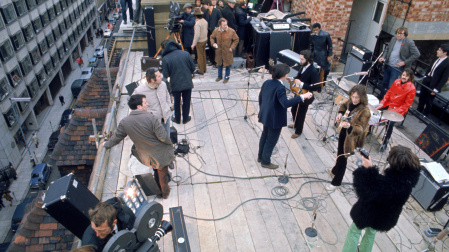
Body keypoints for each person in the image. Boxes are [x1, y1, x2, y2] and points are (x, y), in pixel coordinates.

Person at [342, 146, 420, 252]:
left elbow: (365, 191)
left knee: (354, 231)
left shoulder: (383, 184)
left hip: (367, 212)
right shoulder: (407, 183)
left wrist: (368, 170)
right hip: (384, 216)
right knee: (371, 233)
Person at [103, 95, 174, 198]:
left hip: (145, 156)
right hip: (159, 154)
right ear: (139, 106)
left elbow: (117, 137)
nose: (147, 104)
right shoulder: (150, 117)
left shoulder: (125, 122)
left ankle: (157, 190)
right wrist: (169, 144)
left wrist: (106, 144)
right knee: (162, 175)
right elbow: (163, 136)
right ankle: (164, 194)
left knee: (155, 170)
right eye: (145, 103)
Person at [258, 64, 313, 169]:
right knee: (271, 139)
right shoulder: (280, 88)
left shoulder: (267, 82)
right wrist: (302, 96)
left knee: (264, 135)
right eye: (286, 73)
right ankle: (265, 161)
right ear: (284, 74)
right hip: (275, 119)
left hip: (266, 115)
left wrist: (263, 111)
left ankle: (260, 157)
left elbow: (261, 98)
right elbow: (285, 103)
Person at [326, 85, 371, 191]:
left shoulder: (365, 111)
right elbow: (343, 106)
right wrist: (340, 114)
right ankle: (335, 170)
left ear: (362, 98)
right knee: (339, 154)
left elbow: (360, 130)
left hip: (351, 138)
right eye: (352, 96)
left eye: (357, 98)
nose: (354, 99)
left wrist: (350, 126)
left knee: (343, 158)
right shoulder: (350, 102)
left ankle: (337, 182)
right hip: (343, 133)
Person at [376, 68, 416, 152]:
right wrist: (382, 103)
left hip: (398, 110)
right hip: (388, 104)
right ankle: (368, 130)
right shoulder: (397, 81)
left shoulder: (412, 88)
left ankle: (385, 142)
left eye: (406, 76)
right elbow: (389, 93)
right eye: (403, 75)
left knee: (389, 124)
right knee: (374, 112)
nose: (404, 77)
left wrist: (394, 112)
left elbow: (406, 105)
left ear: (410, 77)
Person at [378, 27, 420, 99]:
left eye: (401, 34)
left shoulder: (409, 42)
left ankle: (387, 101)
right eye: (397, 33)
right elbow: (387, 49)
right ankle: (381, 97)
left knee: (391, 85)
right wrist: (384, 57)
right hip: (388, 64)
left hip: (396, 67)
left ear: (405, 34)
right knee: (384, 82)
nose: (398, 35)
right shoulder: (393, 39)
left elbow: (417, 54)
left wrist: (404, 62)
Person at [161, 40, 195, 124]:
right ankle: (186, 118)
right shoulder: (185, 54)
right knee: (186, 100)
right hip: (187, 81)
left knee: (176, 101)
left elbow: (165, 75)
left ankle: (177, 118)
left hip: (175, 83)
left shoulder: (165, 58)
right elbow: (193, 68)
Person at [288, 50, 320, 138]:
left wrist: (301, 84)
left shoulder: (313, 71)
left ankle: (298, 131)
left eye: (302, 59)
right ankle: (295, 124)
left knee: (301, 114)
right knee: (293, 110)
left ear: (308, 60)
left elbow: (315, 87)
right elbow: (298, 77)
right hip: (298, 93)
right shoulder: (302, 67)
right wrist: (292, 79)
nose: (300, 61)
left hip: (306, 95)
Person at [132, 68, 172, 135]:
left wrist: (168, 107)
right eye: (159, 76)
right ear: (152, 80)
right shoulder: (140, 91)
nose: (161, 77)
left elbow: (167, 97)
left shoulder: (163, 85)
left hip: (165, 119)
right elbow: (133, 105)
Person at [417, 44, 449, 117]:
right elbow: (430, 67)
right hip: (428, 79)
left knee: (429, 101)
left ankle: (425, 114)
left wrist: (437, 89)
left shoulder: (447, 63)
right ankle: (419, 110)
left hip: (434, 83)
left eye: (440, 50)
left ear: (445, 53)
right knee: (422, 96)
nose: (437, 51)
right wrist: (426, 75)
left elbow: (444, 78)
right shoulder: (436, 58)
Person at [210, 18, 239, 83]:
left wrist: (232, 47)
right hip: (219, 51)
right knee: (219, 64)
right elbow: (211, 37)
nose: (226, 26)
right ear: (220, 25)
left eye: (226, 24)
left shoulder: (231, 31)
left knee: (228, 65)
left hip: (227, 52)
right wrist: (213, 43)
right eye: (224, 25)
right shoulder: (216, 30)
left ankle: (227, 77)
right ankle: (219, 76)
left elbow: (236, 39)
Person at [203, 0, 223, 67]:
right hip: (208, 31)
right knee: (210, 46)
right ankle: (212, 61)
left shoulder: (217, 11)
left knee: (216, 47)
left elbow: (221, 20)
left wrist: (217, 27)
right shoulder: (206, 12)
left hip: (215, 31)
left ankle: (217, 62)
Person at [191, 7, 209, 75]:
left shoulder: (198, 23)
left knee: (200, 56)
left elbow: (197, 34)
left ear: (195, 15)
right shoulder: (204, 21)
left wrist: (193, 43)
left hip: (200, 41)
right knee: (203, 55)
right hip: (204, 39)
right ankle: (204, 69)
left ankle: (201, 70)